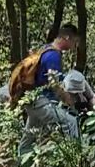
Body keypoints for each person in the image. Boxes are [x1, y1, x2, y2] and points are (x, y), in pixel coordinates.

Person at [16, 24, 81, 157]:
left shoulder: (44, 49)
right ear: (67, 37)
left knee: (29, 136)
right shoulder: (53, 56)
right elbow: (54, 84)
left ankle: (21, 165)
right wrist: (68, 100)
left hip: (32, 100)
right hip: (41, 102)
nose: (75, 46)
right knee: (71, 123)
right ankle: (76, 160)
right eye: (74, 41)